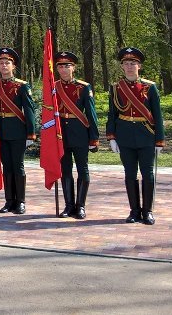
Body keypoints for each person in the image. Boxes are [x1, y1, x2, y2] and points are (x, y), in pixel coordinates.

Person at [106, 47, 164, 225]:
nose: (129, 67)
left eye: (133, 63)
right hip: (125, 136)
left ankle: (147, 211)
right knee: (129, 174)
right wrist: (112, 137)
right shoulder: (116, 88)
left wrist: (159, 141)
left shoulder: (150, 87)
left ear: (139, 66)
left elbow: (158, 115)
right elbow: (112, 114)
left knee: (147, 174)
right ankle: (134, 210)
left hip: (146, 135)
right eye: (126, 64)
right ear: (122, 66)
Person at [54, 51, 100, 219]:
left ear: (74, 67)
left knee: (83, 169)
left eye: (67, 66)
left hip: (80, 131)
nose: (64, 69)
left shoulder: (83, 87)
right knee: (65, 170)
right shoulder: (54, 87)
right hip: (61, 134)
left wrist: (93, 138)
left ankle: (80, 206)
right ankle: (68, 205)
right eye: (60, 66)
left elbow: (91, 113)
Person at [0, 47, 36, 214]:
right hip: (0, 132)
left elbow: (30, 110)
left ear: (13, 66)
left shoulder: (22, 86)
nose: (4, 66)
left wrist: (31, 133)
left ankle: (20, 201)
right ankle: (9, 201)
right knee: (7, 167)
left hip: (18, 130)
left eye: (7, 63)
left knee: (18, 166)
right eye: (1, 63)